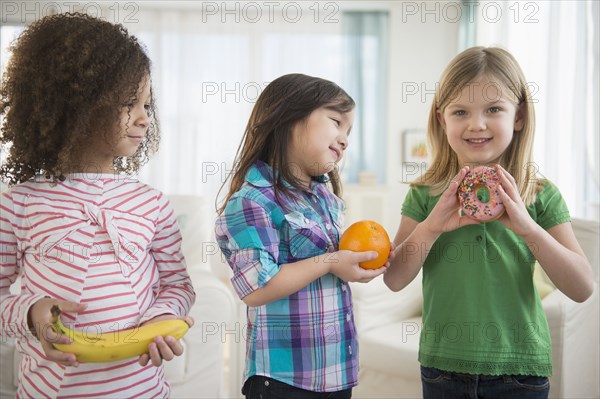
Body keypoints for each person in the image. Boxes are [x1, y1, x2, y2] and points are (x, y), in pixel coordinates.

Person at [0, 13, 195, 398]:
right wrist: (30, 312)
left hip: (141, 389)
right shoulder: (19, 203)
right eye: (129, 104)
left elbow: (178, 284)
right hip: (48, 390)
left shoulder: (151, 203)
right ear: (77, 106)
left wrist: (162, 317)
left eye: (147, 105)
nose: (144, 119)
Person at [384, 46, 594, 399]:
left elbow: (582, 287)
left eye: (493, 109)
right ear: (441, 119)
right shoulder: (425, 194)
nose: (476, 124)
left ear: (519, 117)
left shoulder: (539, 195)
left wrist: (528, 228)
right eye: (460, 111)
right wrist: (432, 226)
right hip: (442, 366)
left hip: (520, 368)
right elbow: (394, 278)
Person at [215, 73, 390, 398]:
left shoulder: (325, 198)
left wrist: (352, 266)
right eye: (336, 122)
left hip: (335, 372)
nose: (345, 138)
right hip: (284, 379)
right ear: (289, 117)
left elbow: (331, 268)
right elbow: (257, 287)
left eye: (349, 131)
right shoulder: (254, 200)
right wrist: (330, 262)